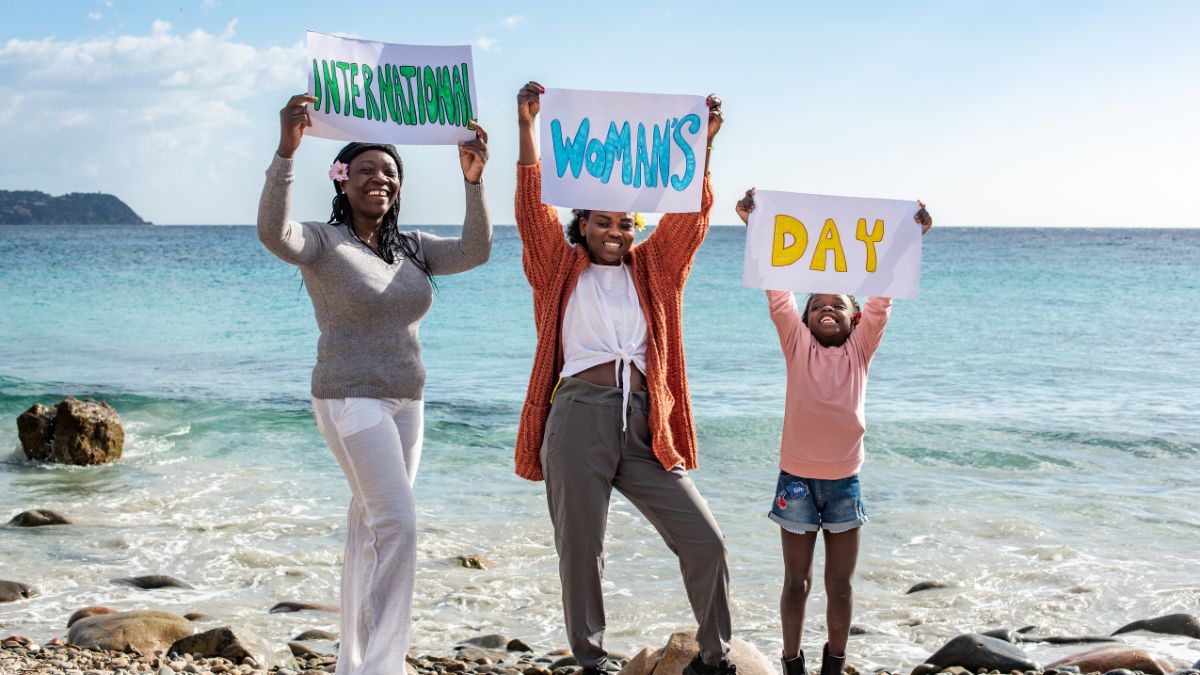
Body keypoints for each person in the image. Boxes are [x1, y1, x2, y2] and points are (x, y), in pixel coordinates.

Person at [257, 93, 492, 675]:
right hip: (347, 396)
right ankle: (384, 667)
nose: (378, 179)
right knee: (399, 526)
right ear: (342, 180)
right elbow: (272, 233)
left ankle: (353, 662)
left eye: (388, 171)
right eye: (365, 170)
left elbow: (476, 250)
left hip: (406, 400)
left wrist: (474, 183)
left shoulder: (411, 246)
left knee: (368, 525)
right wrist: (287, 151)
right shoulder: (322, 240)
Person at [512, 80, 735, 675]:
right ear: (581, 223)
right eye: (604, 221)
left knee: (705, 539)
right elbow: (533, 213)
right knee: (582, 551)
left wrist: (705, 147)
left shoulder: (657, 269)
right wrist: (528, 127)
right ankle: (592, 660)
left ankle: (715, 659)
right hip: (578, 416)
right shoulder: (557, 268)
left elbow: (692, 218)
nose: (617, 230)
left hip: (645, 424)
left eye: (627, 222)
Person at [734, 188, 932, 675]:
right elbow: (777, 292)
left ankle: (834, 663)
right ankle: (791, 661)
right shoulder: (796, 347)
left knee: (839, 584)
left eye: (838, 305)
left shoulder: (860, 351)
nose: (827, 309)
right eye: (817, 304)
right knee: (795, 582)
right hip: (795, 481)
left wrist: (911, 239)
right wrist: (754, 225)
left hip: (845, 483)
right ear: (803, 320)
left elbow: (881, 299)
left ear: (854, 318)